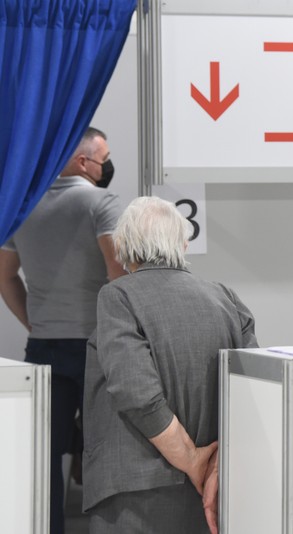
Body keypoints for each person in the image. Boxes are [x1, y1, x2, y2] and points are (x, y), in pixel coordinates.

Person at [82, 196, 258, 533]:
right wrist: (215, 467)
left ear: (122, 246)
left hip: (135, 494)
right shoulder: (226, 299)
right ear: (183, 243)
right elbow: (253, 391)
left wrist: (193, 460)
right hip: (212, 491)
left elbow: (136, 391)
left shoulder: (118, 296)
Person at [0, 127, 124, 534]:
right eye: (104, 158)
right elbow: (118, 274)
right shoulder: (102, 203)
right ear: (83, 162)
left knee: (44, 453)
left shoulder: (25, 205)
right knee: (107, 448)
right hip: (96, 345)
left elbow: (5, 276)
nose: (108, 166)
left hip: (43, 348)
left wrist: (32, 321)